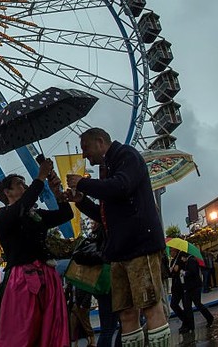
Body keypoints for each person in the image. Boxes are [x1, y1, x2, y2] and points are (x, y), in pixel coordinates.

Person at [68, 128, 170, 347]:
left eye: (86, 149)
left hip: (139, 246)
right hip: (119, 251)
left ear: (100, 141)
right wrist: (81, 201)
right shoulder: (108, 169)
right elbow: (105, 217)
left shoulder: (127, 155)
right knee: (126, 314)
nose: (85, 155)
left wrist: (82, 184)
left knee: (150, 306)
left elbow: (121, 187)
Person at [0, 157, 72, 347]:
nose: (25, 187)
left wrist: (57, 192)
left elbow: (66, 215)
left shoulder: (35, 214)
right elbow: (23, 205)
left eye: (25, 184)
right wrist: (40, 177)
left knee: (50, 328)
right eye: (19, 185)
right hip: (22, 279)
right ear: (7, 192)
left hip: (46, 275)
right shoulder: (3, 215)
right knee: (23, 331)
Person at [177, 252, 214, 333]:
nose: (181, 259)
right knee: (187, 307)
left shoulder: (192, 261)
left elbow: (193, 272)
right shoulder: (188, 261)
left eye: (182, 258)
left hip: (194, 287)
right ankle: (191, 325)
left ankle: (209, 317)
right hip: (189, 287)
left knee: (198, 304)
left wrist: (184, 273)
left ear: (184, 256)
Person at [168, 251, 185, 322]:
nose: (170, 252)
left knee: (183, 304)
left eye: (171, 250)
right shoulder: (173, 261)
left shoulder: (180, 258)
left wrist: (175, 268)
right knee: (173, 304)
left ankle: (186, 321)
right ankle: (184, 319)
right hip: (175, 285)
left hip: (180, 285)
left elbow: (178, 269)